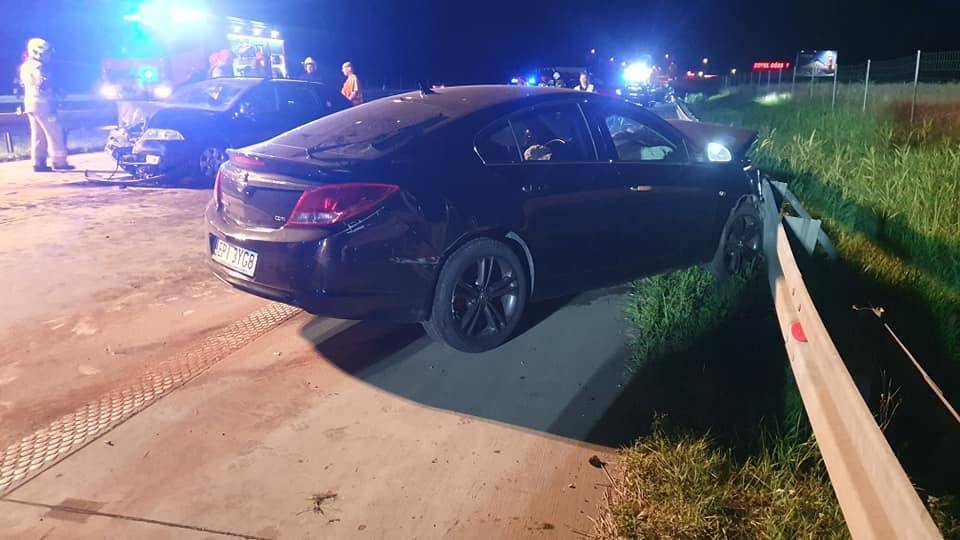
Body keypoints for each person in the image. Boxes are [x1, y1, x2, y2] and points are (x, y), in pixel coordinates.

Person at [19, 38, 72, 172]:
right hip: (44, 104)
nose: (49, 56)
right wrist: (53, 91)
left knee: (38, 135)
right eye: (47, 53)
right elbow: (42, 84)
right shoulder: (39, 67)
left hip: (31, 104)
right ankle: (59, 162)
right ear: (38, 53)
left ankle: (38, 163)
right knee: (55, 132)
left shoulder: (26, 66)